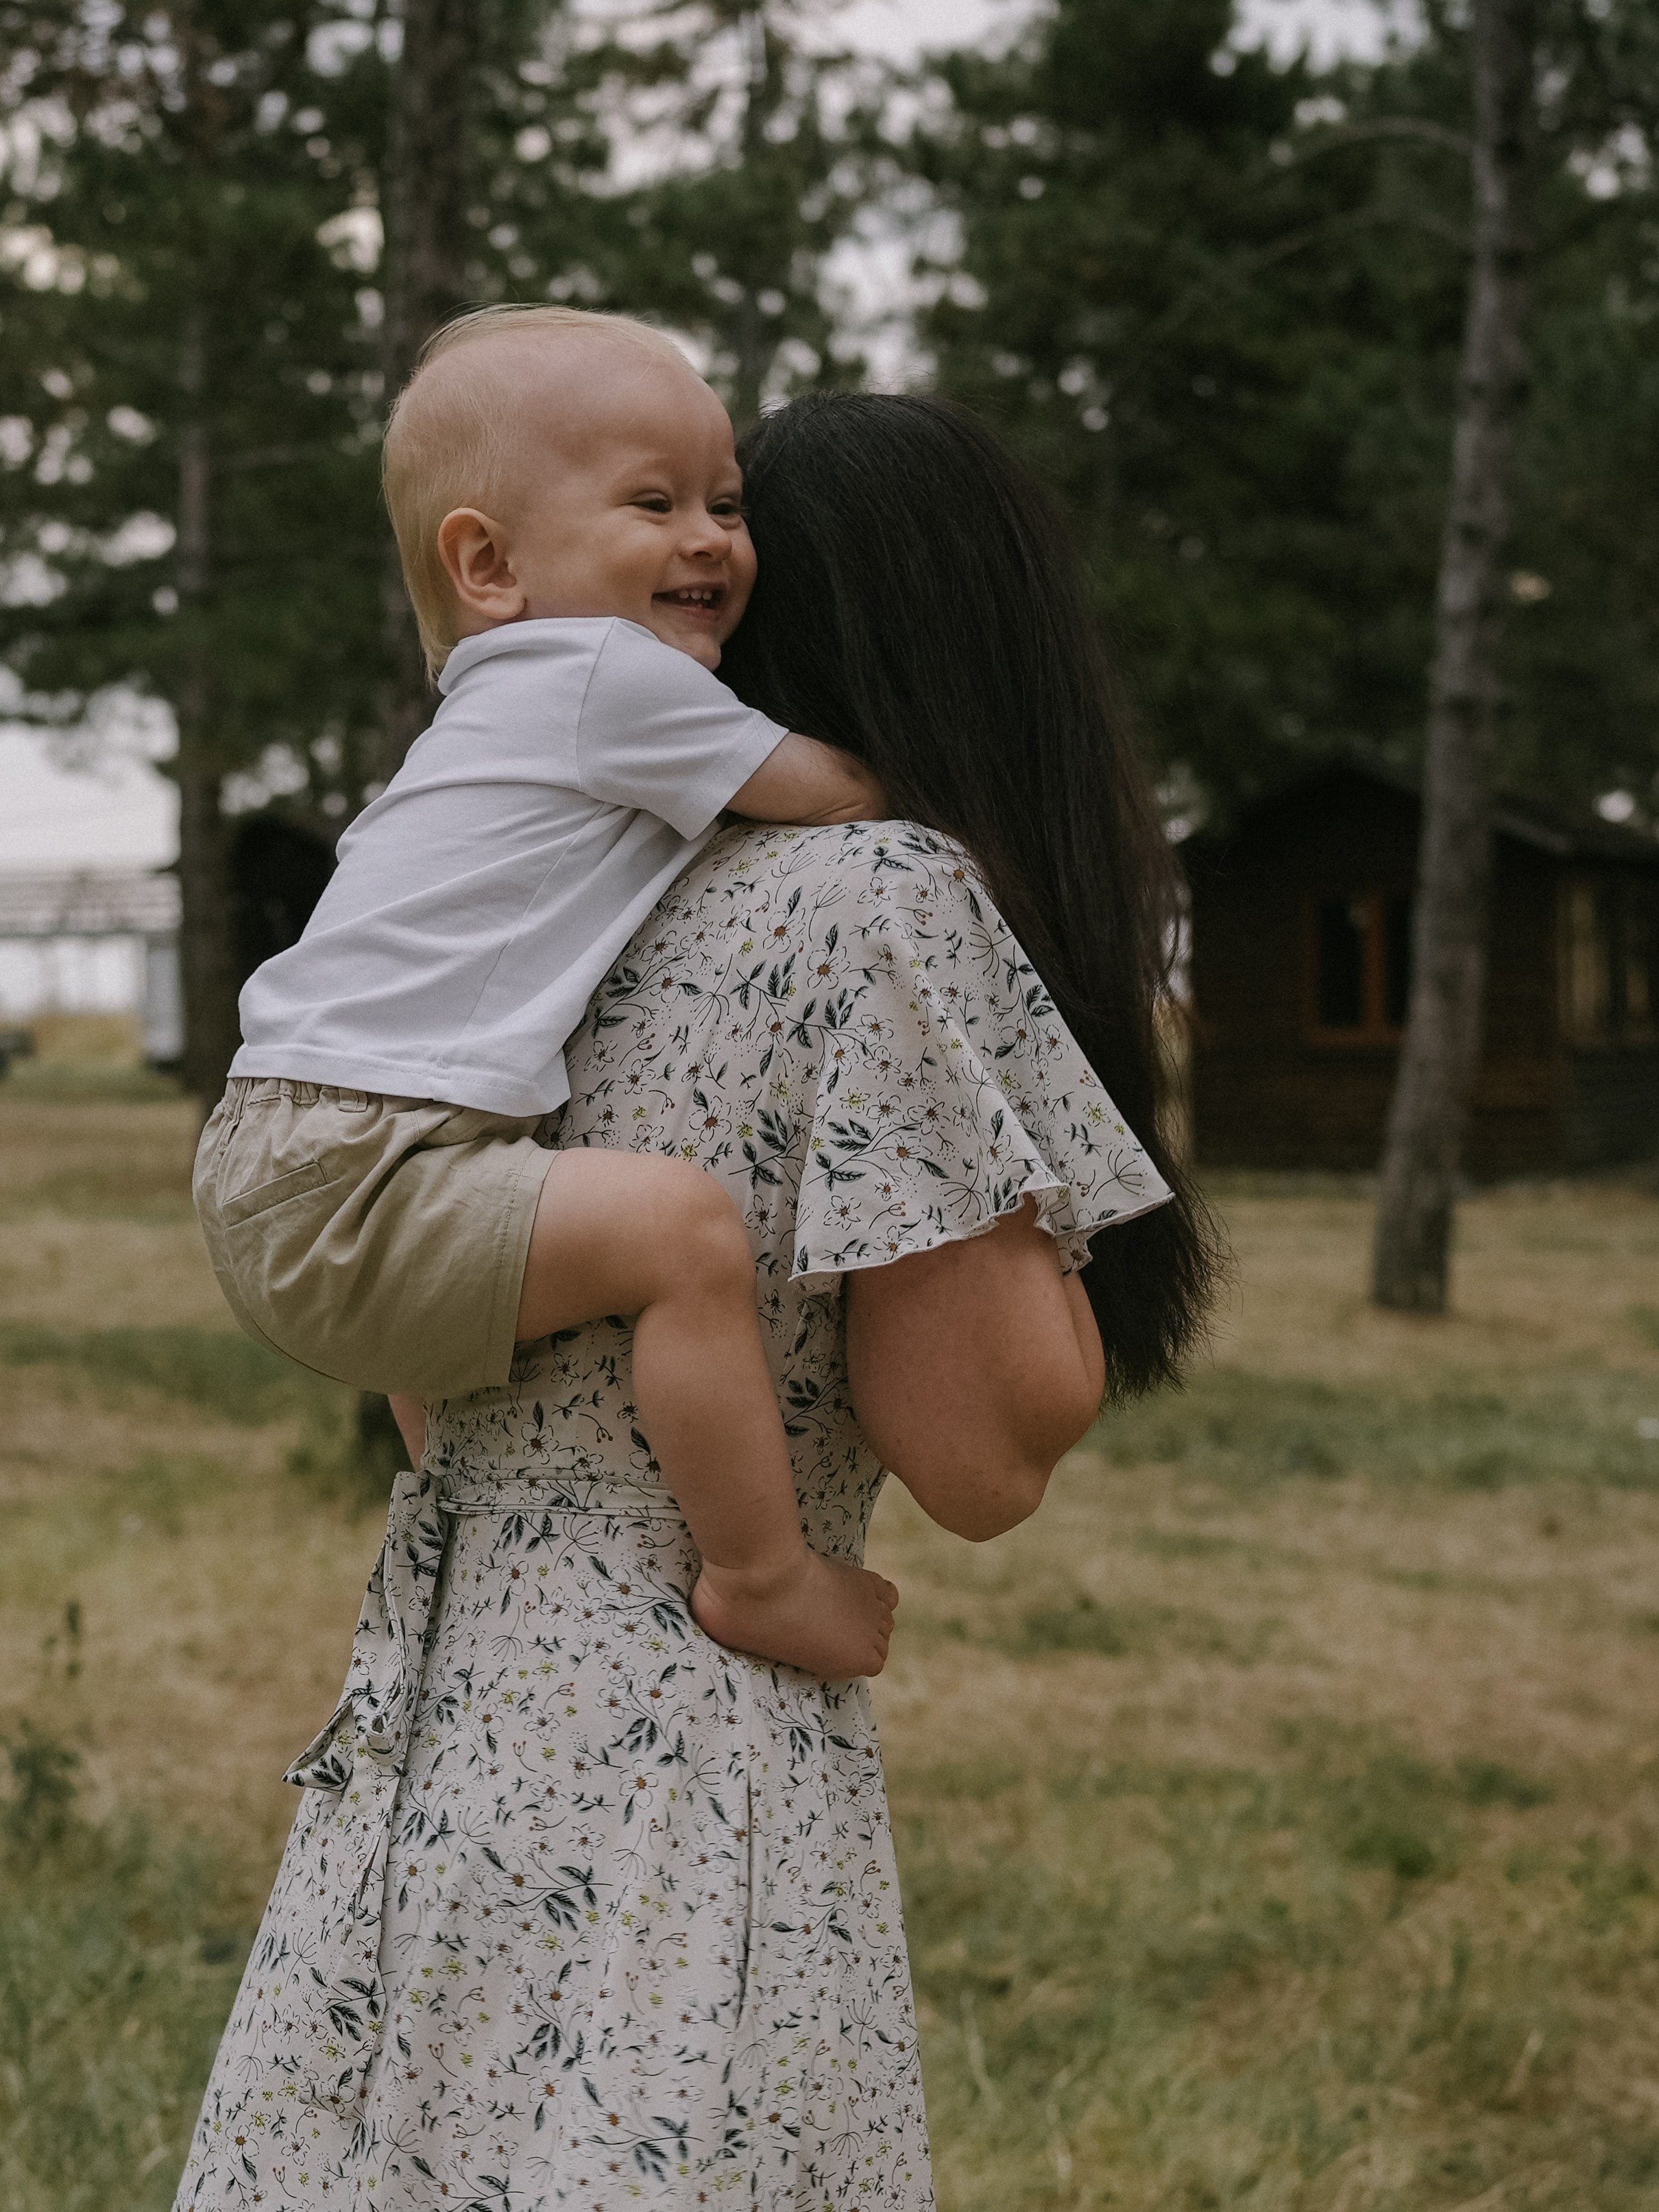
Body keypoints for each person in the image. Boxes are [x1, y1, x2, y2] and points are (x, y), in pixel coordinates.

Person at [173, 393, 1217, 2211]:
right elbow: (976, 1444)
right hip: (684, 1731)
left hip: (442, 1681)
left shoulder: (513, 853)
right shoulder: (874, 892)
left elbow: (427, 1336)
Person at [194, 306, 898, 1682]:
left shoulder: (485, 713)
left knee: (480, 1304)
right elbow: (837, 796)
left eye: (726, 503)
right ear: (489, 563)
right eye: (653, 502)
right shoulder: (604, 675)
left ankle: (460, 1516)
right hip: (363, 1170)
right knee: (681, 1233)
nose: (711, 539)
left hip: (272, 1153)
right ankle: (761, 1575)